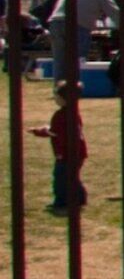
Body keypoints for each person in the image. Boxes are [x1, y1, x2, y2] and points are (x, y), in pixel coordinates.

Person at [36, 73, 86, 216]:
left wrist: (40, 131)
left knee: (61, 178)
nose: (55, 98)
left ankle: (61, 201)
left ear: (64, 99)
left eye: (57, 96)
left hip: (65, 153)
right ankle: (80, 198)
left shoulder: (60, 115)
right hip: (78, 152)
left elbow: (54, 132)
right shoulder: (74, 113)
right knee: (72, 176)